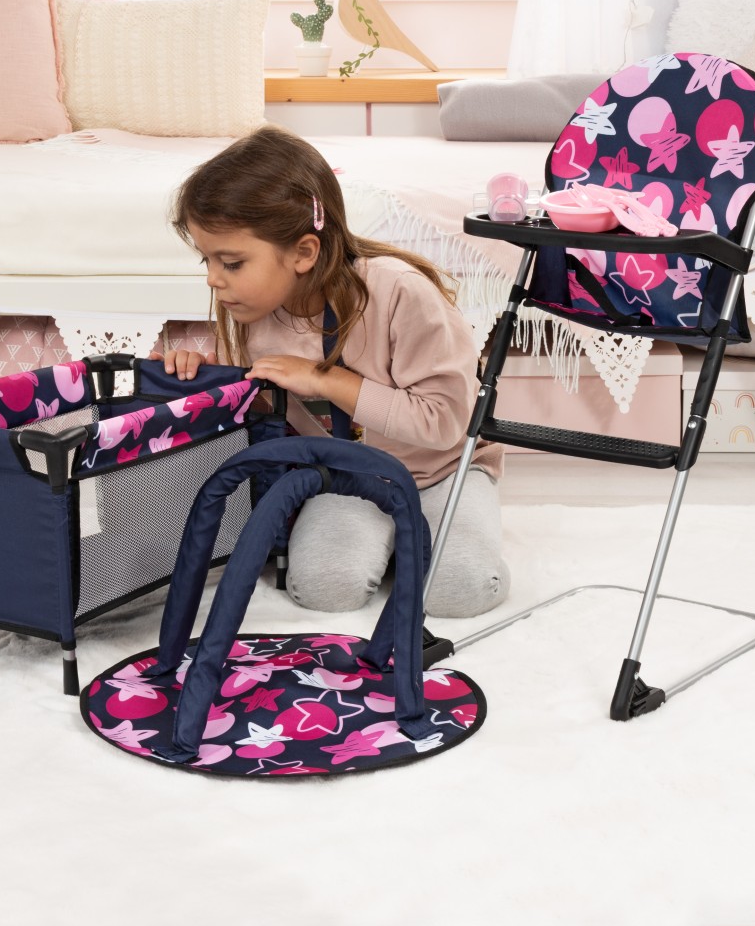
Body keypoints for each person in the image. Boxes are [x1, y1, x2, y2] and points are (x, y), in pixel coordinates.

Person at [155, 125, 508, 618]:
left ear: (303, 252)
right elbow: (259, 408)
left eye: (231, 263)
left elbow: (445, 423)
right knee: (322, 587)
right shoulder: (256, 310)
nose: (214, 279)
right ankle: (394, 543)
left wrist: (326, 380)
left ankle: (418, 538)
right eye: (207, 260)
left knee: (461, 590)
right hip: (344, 477)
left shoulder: (401, 293)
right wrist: (204, 377)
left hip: (442, 471)